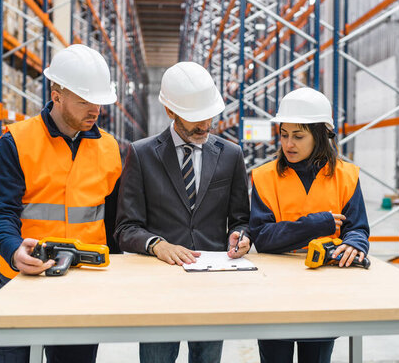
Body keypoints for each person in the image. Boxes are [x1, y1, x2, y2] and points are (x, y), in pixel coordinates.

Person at [0, 44, 123, 363]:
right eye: (84, 101)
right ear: (56, 94)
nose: (94, 111)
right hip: (21, 280)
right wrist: (13, 249)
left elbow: (115, 222)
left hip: (82, 286)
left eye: (98, 102)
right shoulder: (17, 142)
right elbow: (0, 212)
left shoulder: (111, 150)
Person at [115, 61, 250, 363]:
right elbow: (126, 228)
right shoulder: (142, 154)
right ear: (170, 111)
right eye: (194, 119)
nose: (204, 125)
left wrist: (241, 236)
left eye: (208, 116)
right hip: (160, 286)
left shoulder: (231, 155)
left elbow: (240, 219)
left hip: (212, 285)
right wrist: (157, 245)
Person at [249, 87, 370, 363]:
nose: (288, 144)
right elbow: (264, 238)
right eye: (284, 134)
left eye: (298, 136)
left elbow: (358, 227)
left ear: (320, 135)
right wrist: (317, 224)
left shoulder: (346, 176)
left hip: (325, 291)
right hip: (274, 292)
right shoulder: (265, 177)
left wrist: (354, 243)